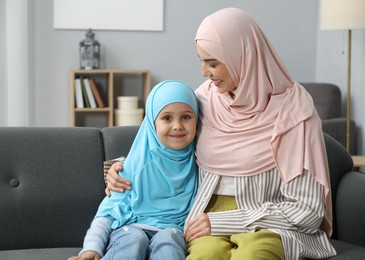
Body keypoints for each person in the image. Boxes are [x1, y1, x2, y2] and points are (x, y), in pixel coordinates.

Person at [105, 8, 336, 260]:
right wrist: (122, 167)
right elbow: (168, 144)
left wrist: (226, 221)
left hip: (272, 224)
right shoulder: (203, 100)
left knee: (255, 254)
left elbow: (308, 211)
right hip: (204, 218)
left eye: (213, 62)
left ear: (243, 57)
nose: (204, 71)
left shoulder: (295, 112)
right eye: (201, 61)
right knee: (204, 255)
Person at [68, 80, 199, 260]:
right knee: (134, 238)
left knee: (169, 239)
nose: (177, 125)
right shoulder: (133, 167)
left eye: (186, 117)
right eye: (167, 118)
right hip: (130, 230)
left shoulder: (202, 163)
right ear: (152, 122)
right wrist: (92, 248)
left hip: (173, 231)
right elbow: (107, 213)